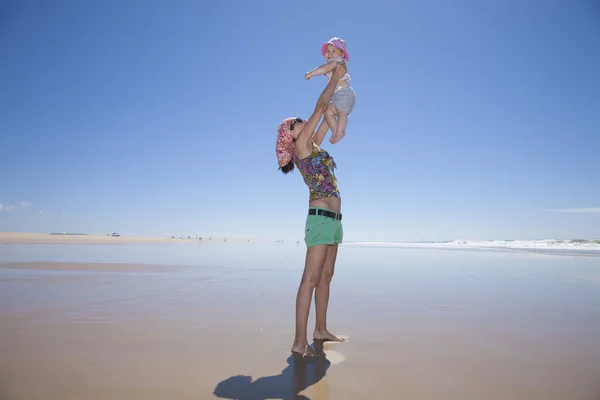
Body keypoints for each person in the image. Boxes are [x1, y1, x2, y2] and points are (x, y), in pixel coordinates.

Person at [276, 62, 348, 357]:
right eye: (297, 123)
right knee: (311, 277)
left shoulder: (313, 144)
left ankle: (320, 329)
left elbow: (325, 110)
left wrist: (337, 84)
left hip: (334, 218)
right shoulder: (301, 147)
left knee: (327, 275)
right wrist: (336, 77)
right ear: (290, 136)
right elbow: (320, 105)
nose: (303, 122)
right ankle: (298, 341)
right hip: (319, 218)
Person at [304, 37, 356, 144]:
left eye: (334, 51)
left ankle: (340, 131)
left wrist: (310, 74)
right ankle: (336, 131)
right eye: (328, 51)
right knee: (328, 113)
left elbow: (324, 68)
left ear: (341, 55)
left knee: (342, 113)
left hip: (344, 92)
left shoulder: (336, 62)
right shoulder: (333, 64)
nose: (330, 53)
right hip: (337, 96)